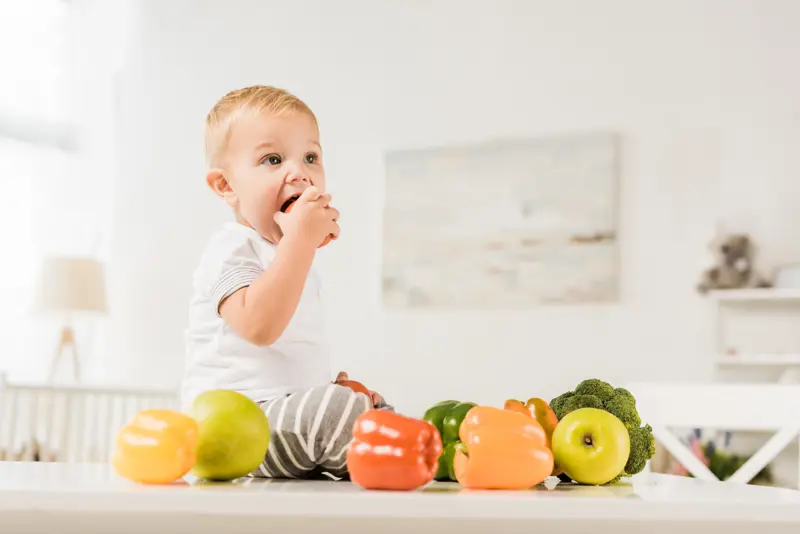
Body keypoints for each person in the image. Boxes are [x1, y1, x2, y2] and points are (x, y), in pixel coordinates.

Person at [182, 85, 389, 480]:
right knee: (340, 414)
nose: (300, 172)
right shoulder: (229, 248)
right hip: (235, 427)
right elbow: (259, 327)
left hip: (280, 416)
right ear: (226, 186)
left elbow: (290, 354)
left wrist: (328, 385)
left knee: (370, 406)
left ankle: (407, 454)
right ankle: (385, 458)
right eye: (273, 159)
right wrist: (299, 242)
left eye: (311, 157)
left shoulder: (288, 256)